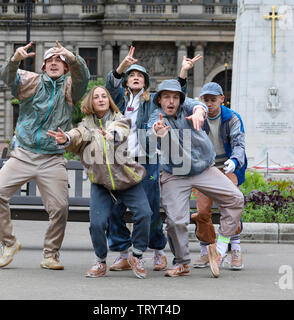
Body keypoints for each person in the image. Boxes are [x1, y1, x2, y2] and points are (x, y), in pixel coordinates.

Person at [0, 41, 90, 270]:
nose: (54, 63)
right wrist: (15, 60)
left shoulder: (69, 88)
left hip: (52, 158)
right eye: (50, 60)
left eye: (60, 60)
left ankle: (50, 254)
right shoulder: (31, 81)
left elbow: (83, 78)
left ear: (66, 68)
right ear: (44, 66)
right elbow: (7, 77)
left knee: (59, 208)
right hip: (24, 154)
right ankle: (9, 243)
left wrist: (73, 58)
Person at [105, 46, 202, 272]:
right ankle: (122, 253)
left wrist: (183, 71)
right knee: (115, 208)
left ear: (146, 82)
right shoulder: (118, 100)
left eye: (140, 76)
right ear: (127, 81)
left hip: (146, 159)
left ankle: (158, 251)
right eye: (132, 75)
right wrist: (122, 67)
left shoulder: (151, 102)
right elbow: (111, 85)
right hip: (120, 160)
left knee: (151, 207)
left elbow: (174, 95)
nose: (135, 78)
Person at [47, 86, 152, 279]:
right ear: (91, 102)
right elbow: (77, 135)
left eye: (104, 96)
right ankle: (100, 261)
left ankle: (136, 255)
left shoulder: (120, 119)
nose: (101, 99)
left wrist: (111, 135)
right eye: (97, 97)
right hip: (101, 183)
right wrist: (67, 138)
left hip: (127, 179)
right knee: (97, 223)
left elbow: (121, 130)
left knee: (145, 214)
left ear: (109, 100)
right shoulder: (86, 126)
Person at [148, 79, 244, 278]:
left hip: (203, 169)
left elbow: (198, 105)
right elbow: (152, 131)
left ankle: (219, 249)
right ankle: (182, 262)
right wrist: (158, 132)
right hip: (174, 175)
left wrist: (200, 111)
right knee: (175, 222)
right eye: (166, 97)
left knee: (235, 198)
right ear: (159, 100)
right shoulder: (155, 117)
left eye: (175, 97)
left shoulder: (189, 106)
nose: (171, 101)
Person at [190, 82, 247, 271]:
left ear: (222, 99)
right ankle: (207, 251)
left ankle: (235, 248)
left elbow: (239, 143)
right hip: (206, 169)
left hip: (228, 167)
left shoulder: (232, 118)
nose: (210, 103)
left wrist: (235, 160)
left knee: (230, 206)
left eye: (213, 100)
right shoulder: (197, 117)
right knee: (202, 211)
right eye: (206, 100)